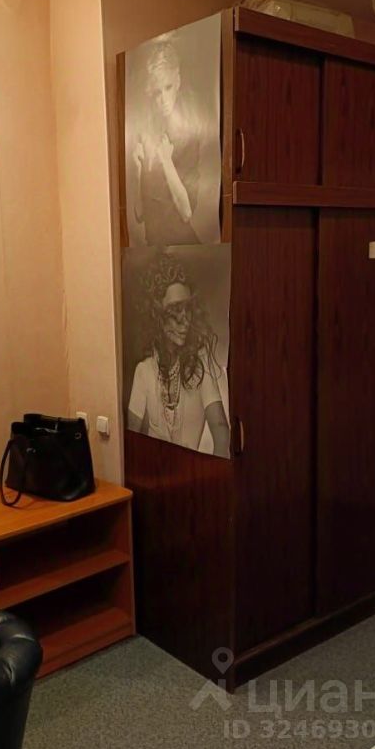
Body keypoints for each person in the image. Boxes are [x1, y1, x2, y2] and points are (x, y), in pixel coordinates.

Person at [127, 252, 229, 457]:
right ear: (156, 315)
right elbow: (132, 439)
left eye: (187, 308)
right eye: (175, 309)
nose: (185, 320)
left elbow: (222, 435)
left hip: (190, 471)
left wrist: (212, 474)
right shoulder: (144, 371)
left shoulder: (200, 367)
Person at [130, 40, 204, 245]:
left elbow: (186, 212)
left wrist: (166, 161)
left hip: (182, 248)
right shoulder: (146, 132)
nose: (163, 99)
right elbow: (139, 214)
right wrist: (137, 171)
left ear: (177, 81)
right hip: (155, 250)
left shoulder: (189, 134)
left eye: (168, 87)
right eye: (157, 92)